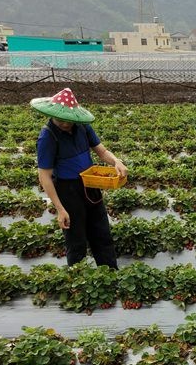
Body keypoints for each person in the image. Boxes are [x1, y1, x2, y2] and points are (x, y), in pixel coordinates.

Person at [32, 88, 127, 269]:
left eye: (69, 121)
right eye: (61, 120)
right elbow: (44, 176)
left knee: (101, 232)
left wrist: (116, 162)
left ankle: (110, 274)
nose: (65, 124)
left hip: (90, 184)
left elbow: (101, 151)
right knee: (76, 240)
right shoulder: (48, 137)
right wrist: (60, 209)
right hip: (68, 191)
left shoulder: (82, 126)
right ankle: (79, 281)